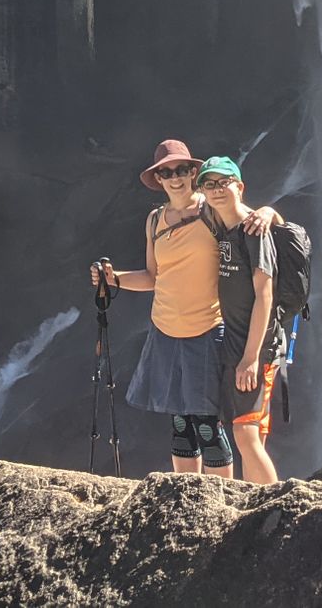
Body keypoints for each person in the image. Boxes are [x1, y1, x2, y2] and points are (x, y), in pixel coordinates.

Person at [88, 140, 280, 477]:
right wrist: (113, 279)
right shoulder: (154, 221)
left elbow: (260, 221)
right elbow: (152, 277)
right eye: (166, 172)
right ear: (158, 178)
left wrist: (267, 211)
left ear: (193, 173)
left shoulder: (212, 210)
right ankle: (184, 496)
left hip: (207, 329)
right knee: (180, 424)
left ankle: (219, 504)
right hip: (164, 331)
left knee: (207, 425)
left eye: (181, 170)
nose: (175, 177)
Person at [195, 155, 284, 484]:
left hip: (256, 348)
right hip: (232, 342)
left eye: (224, 183)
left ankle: (279, 511)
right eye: (210, 184)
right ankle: (255, 512)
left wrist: (249, 358)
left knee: (245, 433)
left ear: (240, 186)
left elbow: (265, 294)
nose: (217, 190)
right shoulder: (218, 223)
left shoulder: (254, 231)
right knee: (252, 435)